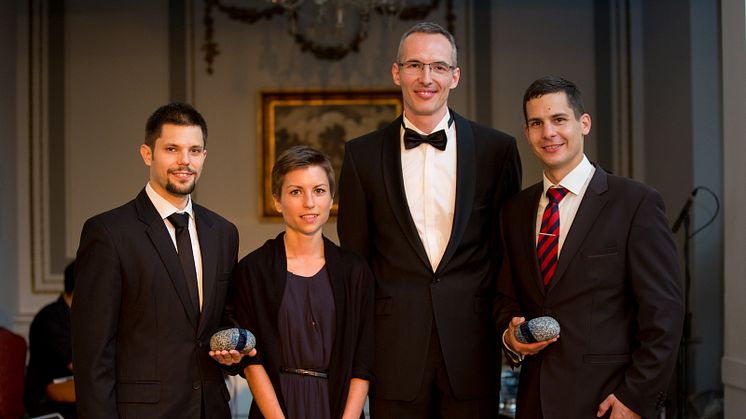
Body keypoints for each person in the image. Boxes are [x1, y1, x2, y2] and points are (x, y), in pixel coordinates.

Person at [337, 22, 522, 418]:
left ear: (455, 76)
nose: (426, 78)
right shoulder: (361, 156)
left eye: (439, 67)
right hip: (393, 350)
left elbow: (506, 254)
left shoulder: (497, 151)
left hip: (472, 348)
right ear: (396, 72)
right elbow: (356, 262)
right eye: (415, 65)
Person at [496, 75, 684, 419]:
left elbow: (664, 313)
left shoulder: (635, 203)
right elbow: (505, 297)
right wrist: (511, 335)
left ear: (584, 123)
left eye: (559, 120)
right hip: (534, 403)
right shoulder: (515, 211)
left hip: (608, 404)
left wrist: (635, 398)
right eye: (536, 123)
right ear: (527, 133)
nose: (548, 133)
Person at [72, 102, 241, 418]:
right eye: (172, 149)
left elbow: (221, 319)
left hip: (211, 409)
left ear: (204, 156)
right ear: (147, 154)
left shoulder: (223, 232)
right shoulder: (108, 233)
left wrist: (232, 350)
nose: (184, 161)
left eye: (194, 150)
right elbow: (92, 354)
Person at [229, 145, 374, 419]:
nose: (310, 203)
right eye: (296, 192)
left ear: (331, 198)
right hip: (276, 410)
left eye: (319, 190)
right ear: (277, 200)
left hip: (339, 408)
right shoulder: (253, 270)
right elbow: (252, 360)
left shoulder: (355, 271)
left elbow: (362, 363)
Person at [25, 261, 77, 418]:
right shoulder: (49, 319)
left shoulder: (81, 318)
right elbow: (81, 366)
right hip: (48, 406)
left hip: (70, 401)